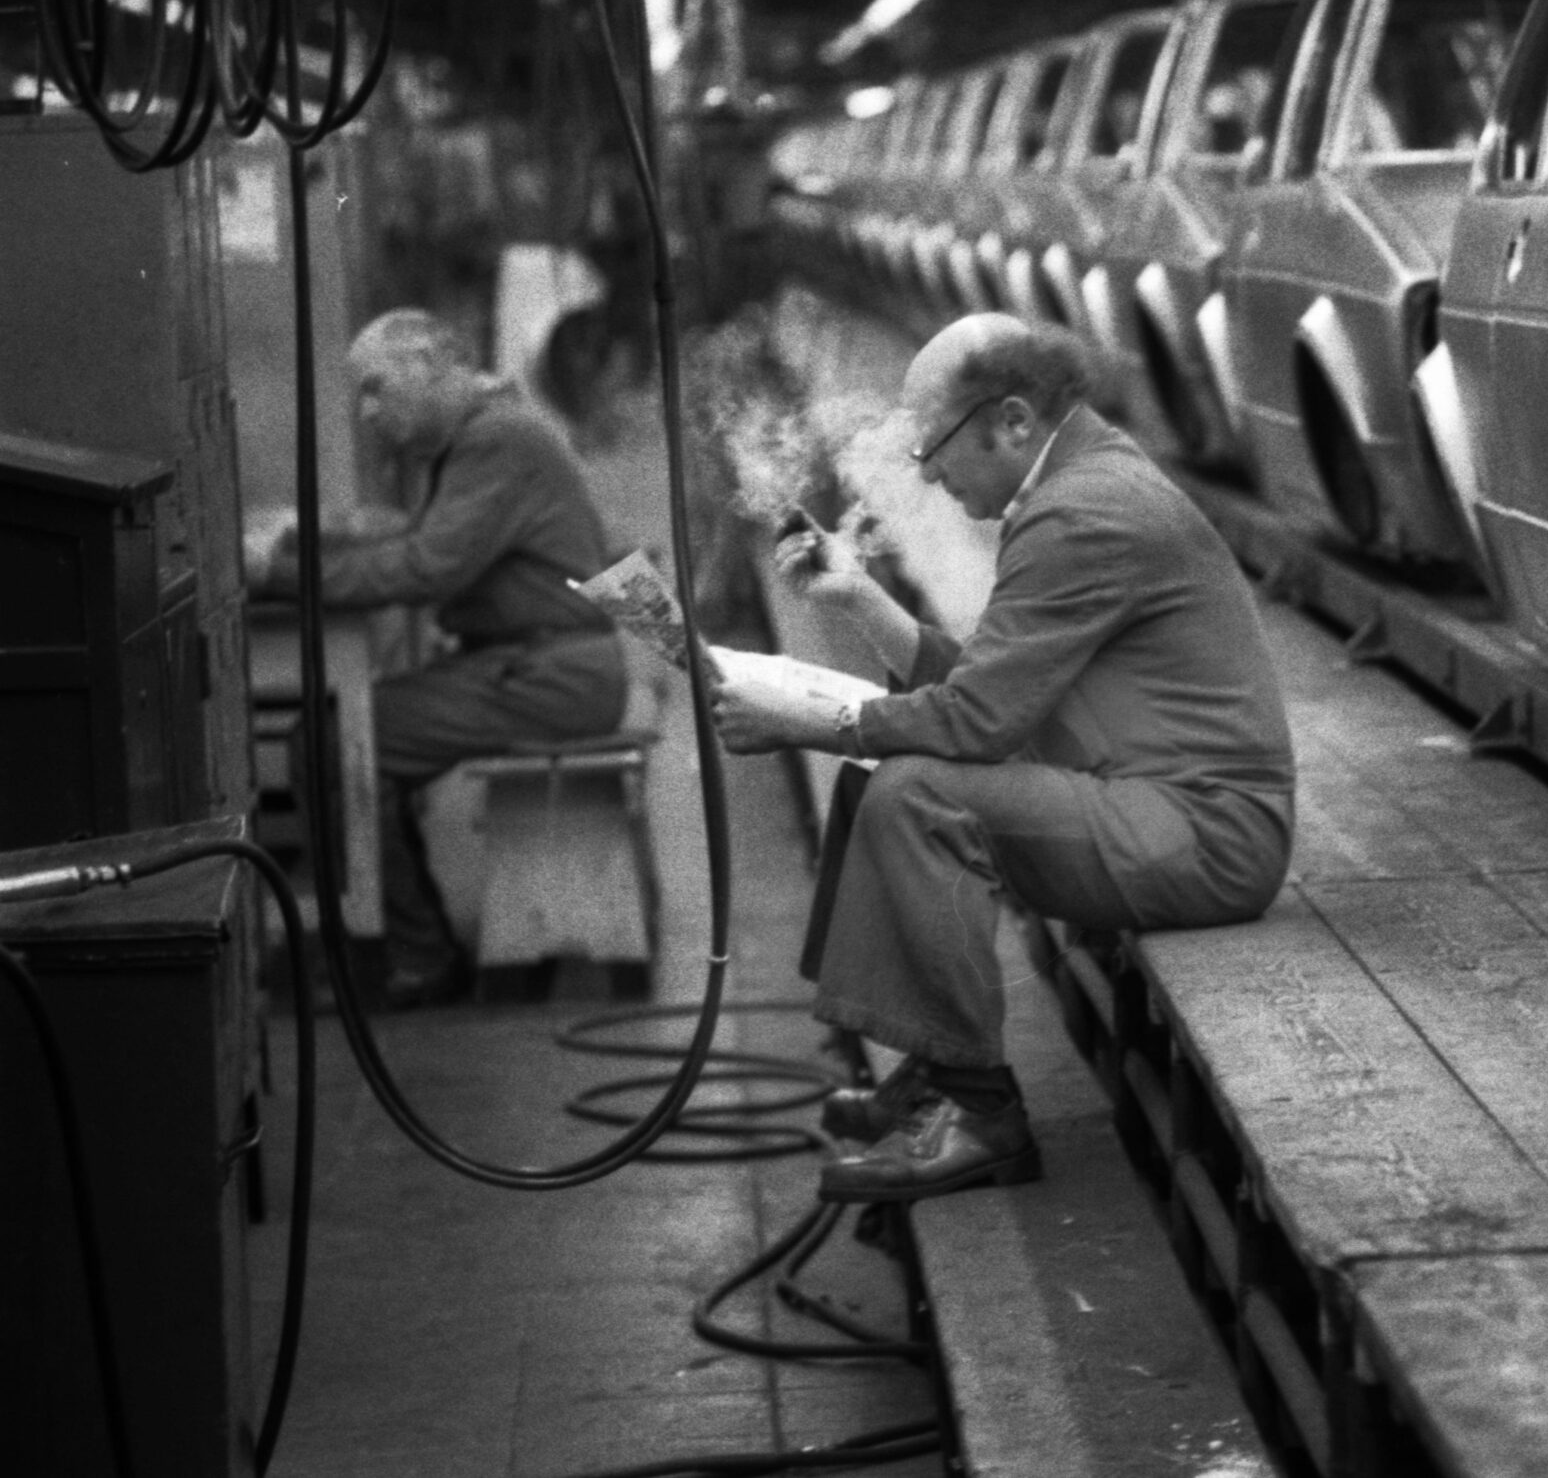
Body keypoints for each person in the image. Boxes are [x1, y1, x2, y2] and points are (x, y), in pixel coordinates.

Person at [712, 313, 1295, 1203]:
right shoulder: (1082, 488)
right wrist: (864, 601)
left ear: (1014, 423)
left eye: (934, 449)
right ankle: (940, 1067)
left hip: (1207, 835)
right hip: (1147, 803)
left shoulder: (1084, 513)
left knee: (913, 795)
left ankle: (981, 1110)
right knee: (891, 783)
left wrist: (800, 723)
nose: (930, 474)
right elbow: (1002, 694)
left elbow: (979, 719)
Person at [251, 308, 627, 1007]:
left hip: (549, 672)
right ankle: (401, 941)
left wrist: (275, 574)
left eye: (375, 388)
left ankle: (415, 959)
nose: (366, 413)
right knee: (346, 735)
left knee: (330, 745)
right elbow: (422, 536)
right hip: (538, 665)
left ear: (429, 363)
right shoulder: (477, 440)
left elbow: (426, 566)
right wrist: (309, 534)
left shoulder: (498, 440)